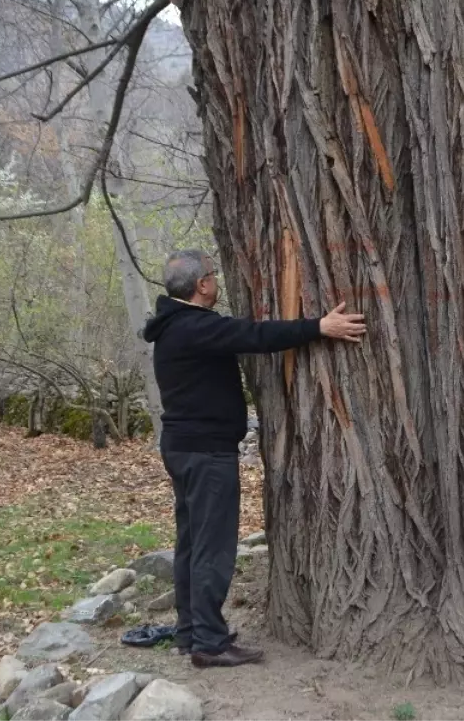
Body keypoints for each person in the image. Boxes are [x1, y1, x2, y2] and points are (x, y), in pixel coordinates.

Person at [142, 248, 366, 668]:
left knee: (192, 543)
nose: (215, 280)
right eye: (212, 274)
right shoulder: (193, 326)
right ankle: (208, 642)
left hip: (185, 447)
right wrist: (319, 325)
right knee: (212, 547)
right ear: (201, 285)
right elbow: (255, 337)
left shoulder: (173, 327)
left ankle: (192, 632)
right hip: (205, 452)